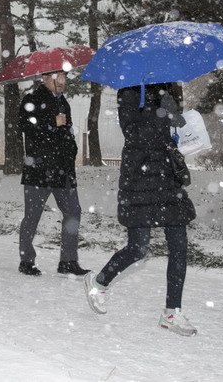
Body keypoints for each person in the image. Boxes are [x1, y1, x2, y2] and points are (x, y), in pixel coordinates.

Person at [83, 83, 197, 336]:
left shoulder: (170, 86)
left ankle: (172, 311)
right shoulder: (130, 89)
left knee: (179, 245)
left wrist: (178, 119)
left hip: (168, 176)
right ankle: (99, 282)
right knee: (138, 248)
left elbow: (173, 130)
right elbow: (133, 133)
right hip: (141, 176)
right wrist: (161, 115)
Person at [17, 71, 89, 277]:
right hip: (39, 170)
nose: (63, 82)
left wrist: (71, 148)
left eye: (65, 78)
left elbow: (66, 132)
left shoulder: (63, 103)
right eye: (58, 78)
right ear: (45, 79)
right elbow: (26, 128)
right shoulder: (31, 100)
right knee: (32, 216)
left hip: (63, 170)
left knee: (73, 212)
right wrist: (51, 122)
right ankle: (26, 260)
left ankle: (68, 261)